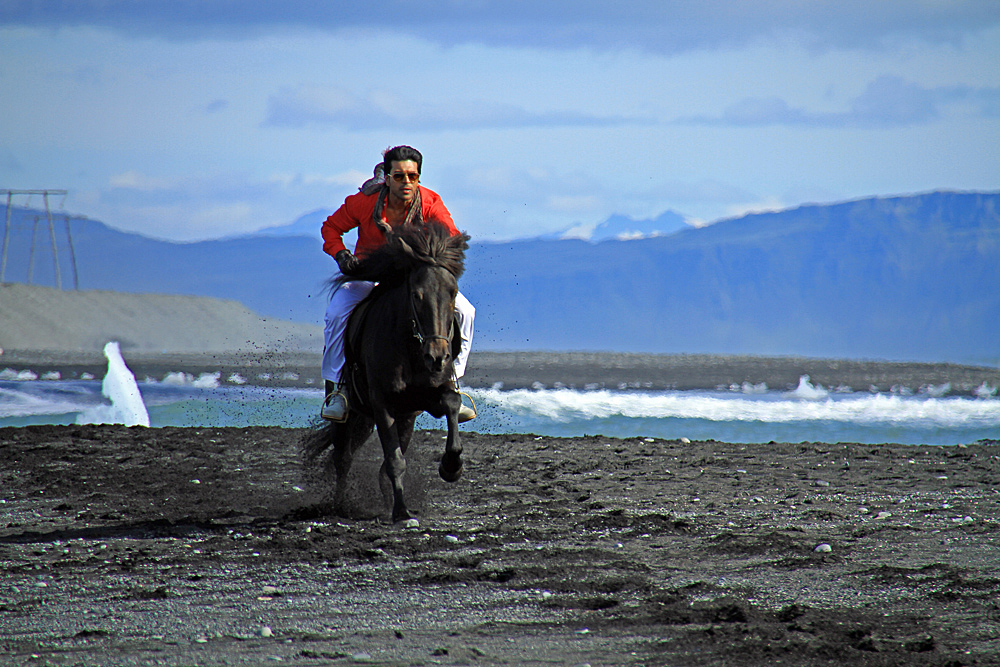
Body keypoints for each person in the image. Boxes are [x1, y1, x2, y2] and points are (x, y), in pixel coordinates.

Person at [320, 145, 476, 422]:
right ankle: (339, 390)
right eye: (400, 176)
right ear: (387, 176)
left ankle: (453, 381)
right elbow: (331, 228)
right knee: (336, 312)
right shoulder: (363, 203)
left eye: (412, 177)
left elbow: (451, 236)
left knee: (466, 312)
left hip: (413, 279)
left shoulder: (431, 202)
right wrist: (341, 254)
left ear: (419, 177)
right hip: (369, 276)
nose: (406, 182)